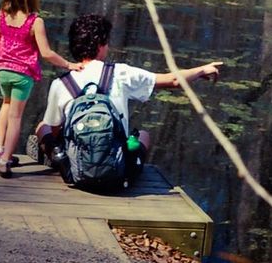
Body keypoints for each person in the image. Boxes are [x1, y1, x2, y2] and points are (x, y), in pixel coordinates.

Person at [34, 12, 222, 180]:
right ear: (100, 45)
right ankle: (131, 164)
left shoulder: (61, 83)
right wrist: (201, 70)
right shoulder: (120, 72)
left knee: (43, 127)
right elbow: (173, 80)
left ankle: (59, 160)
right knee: (143, 135)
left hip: (78, 172)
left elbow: (56, 129)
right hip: (117, 170)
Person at [0, 0, 83, 178]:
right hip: (22, 76)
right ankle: (4, 162)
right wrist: (68, 65)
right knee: (16, 117)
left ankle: (0, 151)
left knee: (5, 106)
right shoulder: (34, 21)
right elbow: (46, 53)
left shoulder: (2, 14)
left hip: (2, 70)